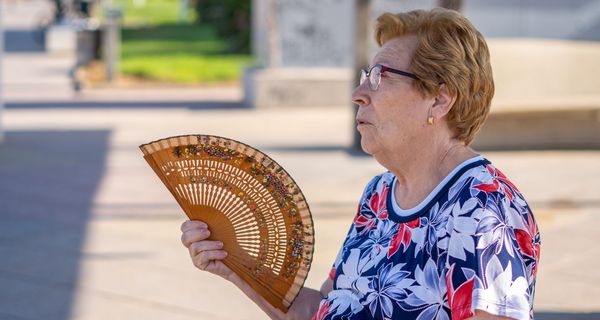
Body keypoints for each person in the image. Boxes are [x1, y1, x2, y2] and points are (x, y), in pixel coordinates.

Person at [180, 7, 541, 320]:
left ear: (439, 99)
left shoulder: (483, 207)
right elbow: (323, 308)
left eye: (380, 77)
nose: (358, 94)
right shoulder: (381, 194)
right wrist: (237, 264)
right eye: (365, 76)